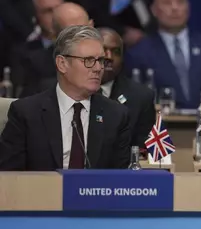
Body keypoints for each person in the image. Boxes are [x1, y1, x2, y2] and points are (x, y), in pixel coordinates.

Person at [0, 25, 131, 171]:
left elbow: (121, 180)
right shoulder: (26, 113)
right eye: (88, 60)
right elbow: (9, 177)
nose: (98, 68)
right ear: (62, 64)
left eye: (100, 60)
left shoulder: (116, 116)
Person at [125, 0, 201, 109]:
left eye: (180, 1)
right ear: (154, 10)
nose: (174, 8)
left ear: (188, 7)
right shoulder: (138, 53)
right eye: (167, 2)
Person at [99, 28, 155, 149]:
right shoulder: (70, 90)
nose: (109, 57)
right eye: (103, 50)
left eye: (116, 52)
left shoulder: (141, 96)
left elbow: (147, 150)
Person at [20, 2, 92, 97]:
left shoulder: (106, 57)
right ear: (55, 34)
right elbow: (27, 105)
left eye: (83, 31)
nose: (79, 39)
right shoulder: (36, 64)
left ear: (91, 25)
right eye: (70, 34)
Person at [11, 0, 63, 94]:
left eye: (59, 9)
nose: (54, 16)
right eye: (48, 11)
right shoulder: (21, 53)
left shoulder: (80, 49)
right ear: (36, 17)